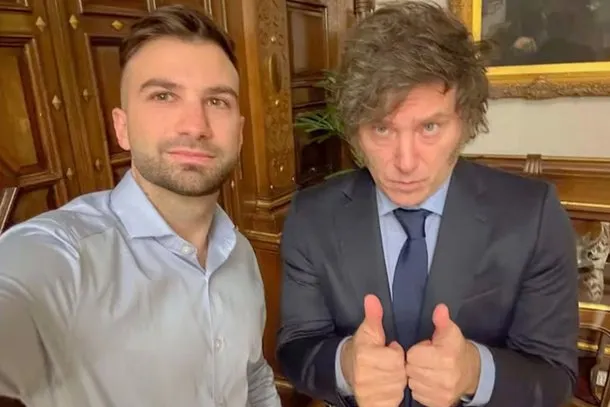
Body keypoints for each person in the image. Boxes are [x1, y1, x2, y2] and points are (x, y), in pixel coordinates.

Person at [277, 2, 578, 407]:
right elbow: (297, 348)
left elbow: (555, 375)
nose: (405, 162)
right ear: (354, 129)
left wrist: (474, 371)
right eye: (382, 129)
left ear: (465, 122)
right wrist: (345, 364)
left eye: (430, 127)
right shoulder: (311, 217)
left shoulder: (533, 216)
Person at [0, 5, 280, 407]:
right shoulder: (63, 256)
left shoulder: (240, 254)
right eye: (163, 96)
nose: (195, 125)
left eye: (217, 101)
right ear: (122, 127)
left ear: (239, 133)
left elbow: (252, 378)